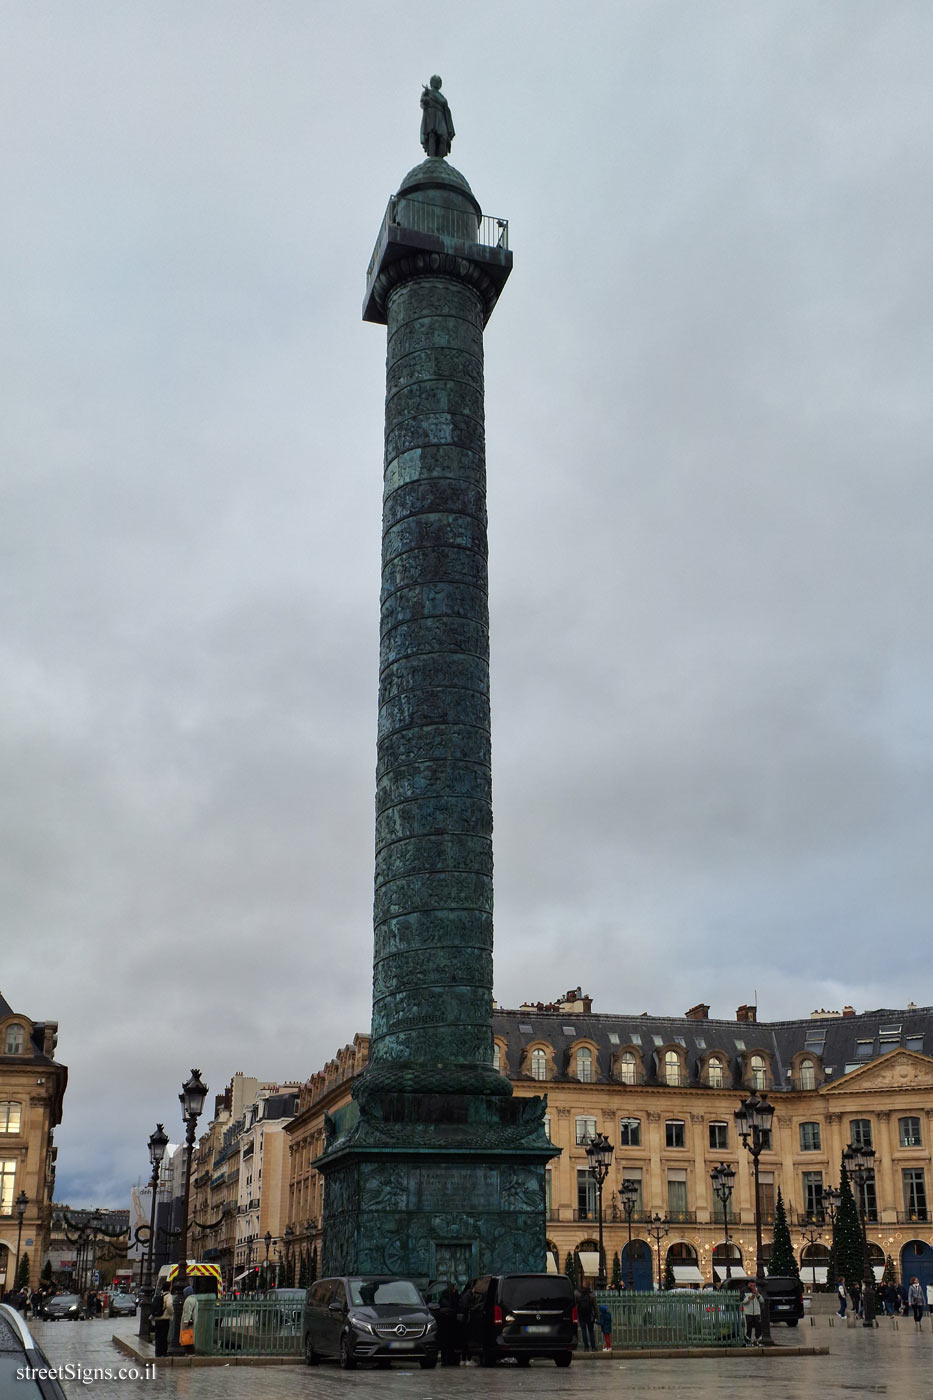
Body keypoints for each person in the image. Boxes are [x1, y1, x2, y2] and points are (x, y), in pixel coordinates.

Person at [420, 75, 455, 158]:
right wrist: (425, 99)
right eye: (435, 81)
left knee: (443, 136)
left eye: (438, 82)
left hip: (441, 116)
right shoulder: (428, 92)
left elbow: (445, 106)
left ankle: (440, 156)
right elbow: (423, 102)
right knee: (432, 134)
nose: (437, 83)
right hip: (431, 115)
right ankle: (433, 155)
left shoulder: (441, 96)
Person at [436, 1283, 461, 1366]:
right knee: (449, 1344)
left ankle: (446, 1359)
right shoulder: (450, 1300)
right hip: (449, 1326)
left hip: (446, 1327)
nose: (455, 1290)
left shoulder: (446, 1299)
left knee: (446, 1344)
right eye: (454, 1289)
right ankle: (449, 1359)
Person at [152, 1284, 174, 1357]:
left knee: (158, 1337)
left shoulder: (159, 1295)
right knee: (164, 1337)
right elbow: (169, 1305)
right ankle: (163, 1353)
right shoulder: (168, 1296)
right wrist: (171, 1313)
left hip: (157, 1318)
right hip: (164, 1318)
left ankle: (157, 1353)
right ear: (169, 1288)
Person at [577, 1283, 596, 1351]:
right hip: (589, 1314)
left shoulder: (578, 1294)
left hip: (581, 1315)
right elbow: (595, 1307)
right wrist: (596, 1316)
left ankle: (586, 1347)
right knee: (591, 1331)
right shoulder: (591, 1295)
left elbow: (576, 1305)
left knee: (583, 1331)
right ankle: (593, 1347)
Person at [742, 1280, 762, 1346]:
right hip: (748, 1312)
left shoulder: (757, 1290)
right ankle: (748, 1340)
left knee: (758, 1326)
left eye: (754, 1285)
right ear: (748, 1285)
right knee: (748, 1327)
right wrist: (749, 1298)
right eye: (751, 1285)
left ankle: (757, 1340)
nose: (753, 1287)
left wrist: (757, 1294)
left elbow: (762, 1300)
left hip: (756, 1312)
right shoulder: (744, 1290)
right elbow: (743, 1301)